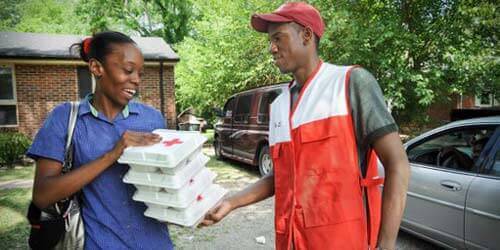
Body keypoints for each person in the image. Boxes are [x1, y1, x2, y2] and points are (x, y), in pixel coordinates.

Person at [202, 2, 410, 250]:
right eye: (270, 41)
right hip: (291, 241)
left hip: (343, 242)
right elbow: (280, 176)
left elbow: (397, 163)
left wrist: (385, 246)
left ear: (307, 35)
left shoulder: (350, 83)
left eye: (278, 38)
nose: (272, 48)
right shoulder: (279, 105)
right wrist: (232, 202)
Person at [27, 31, 174, 249]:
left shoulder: (152, 118)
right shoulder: (66, 118)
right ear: (97, 68)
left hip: (155, 243)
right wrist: (113, 154)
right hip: (100, 243)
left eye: (140, 74)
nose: (136, 79)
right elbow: (42, 196)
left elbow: (168, 181)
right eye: (128, 70)